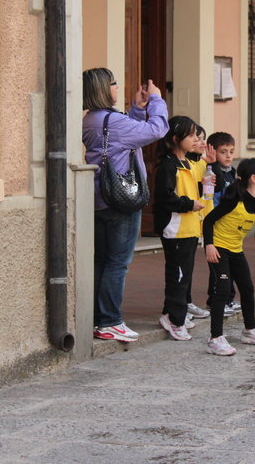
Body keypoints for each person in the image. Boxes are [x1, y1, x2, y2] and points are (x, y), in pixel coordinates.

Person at [82, 69, 169, 342]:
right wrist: (156, 100)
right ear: (103, 89)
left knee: (100, 261)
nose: (117, 87)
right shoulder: (113, 121)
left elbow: (119, 140)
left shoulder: (92, 120)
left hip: (98, 197)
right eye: (114, 83)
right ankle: (110, 320)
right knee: (118, 262)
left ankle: (97, 319)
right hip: (122, 198)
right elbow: (157, 129)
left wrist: (134, 109)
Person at [203, 158, 255, 355]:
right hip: (218, 247)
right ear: (254, 178)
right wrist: (209, 245)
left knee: (247, 287)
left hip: (236, 249)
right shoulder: (234, 199)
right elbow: (208, 221)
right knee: (223, 289)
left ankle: (250, 331)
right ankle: (215, 338)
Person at [153, 116, 205, 341]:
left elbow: (193, 190)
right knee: (178, 275)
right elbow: (165, 198)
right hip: (176, 229)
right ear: (176, 139)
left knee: (184, 275)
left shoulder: (187, 163)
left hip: (190, 228)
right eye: (191, 135)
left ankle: (172, 313)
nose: (196, 139)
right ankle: (175, 319)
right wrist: (188, 204)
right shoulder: (168, 165)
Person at [205, 131, 241, 317]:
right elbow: (213, 199)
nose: (228, 156)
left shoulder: (233, 173)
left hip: (231, 228)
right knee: (219, 267)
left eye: (231, 151)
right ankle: (216, 300)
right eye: (223, 152)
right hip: (217, 226)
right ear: (213, 152)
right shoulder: (212, 173)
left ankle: (229, 298)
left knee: (232, 265)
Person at [182, 125, 215, 319]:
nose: (201, 142)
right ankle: (182, 303)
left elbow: (212, 192)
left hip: (205, 216)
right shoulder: (185, 163)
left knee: (191, 264)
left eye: (203, 138)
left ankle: (187, 302)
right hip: (190, 218)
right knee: (184, 266)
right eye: (197, 137)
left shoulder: (204, 163)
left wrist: (213, 165)